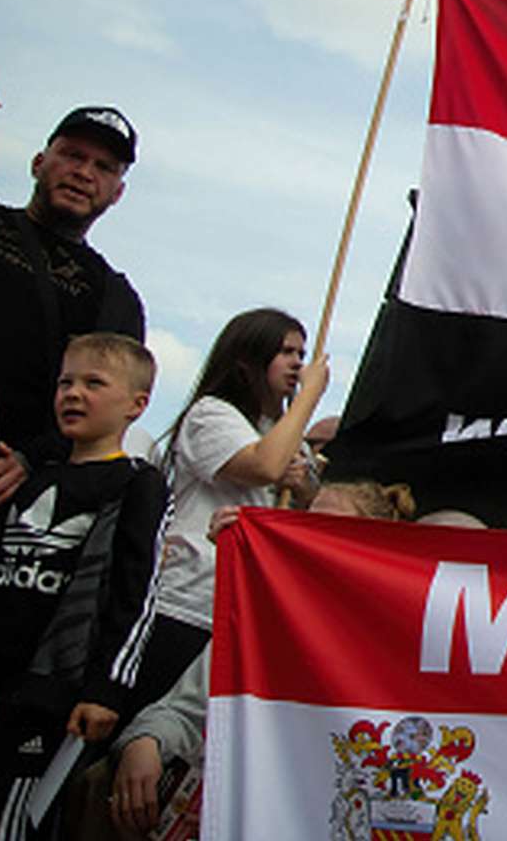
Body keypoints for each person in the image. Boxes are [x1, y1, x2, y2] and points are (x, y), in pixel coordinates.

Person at [0, 333, 168, 840]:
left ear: (137, 405)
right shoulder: (26, 478)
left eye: (94, 383)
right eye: (65, 382)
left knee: (0, 823)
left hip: (45, 699)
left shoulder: (138, 484)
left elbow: (138, 593)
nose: (73, 393)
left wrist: (106, 689)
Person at [101, 480, 410, 837]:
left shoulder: (386, 649)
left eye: (326, 527)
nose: (306, 536)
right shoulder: (261, 622)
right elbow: (182, 710)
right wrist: (147, 742)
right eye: (303, 521)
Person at [129, 309, 330, 723]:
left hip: (240, 613)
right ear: (248, 359)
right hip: (187, 602)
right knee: (134, 727)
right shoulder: (212, 414)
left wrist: (306, 483)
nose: (298, 363)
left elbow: (306, 501)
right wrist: (309, 397)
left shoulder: (282, 431)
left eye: (301, 353)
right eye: (285, 352)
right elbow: (262, 466)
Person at [0, 108, 145, 520]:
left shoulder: (114, 298)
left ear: (117, 192)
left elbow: (110, 407)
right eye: (73, 156)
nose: (84, 173)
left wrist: (30, 459)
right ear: (38, 163)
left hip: (0, 499)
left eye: (103, 167)